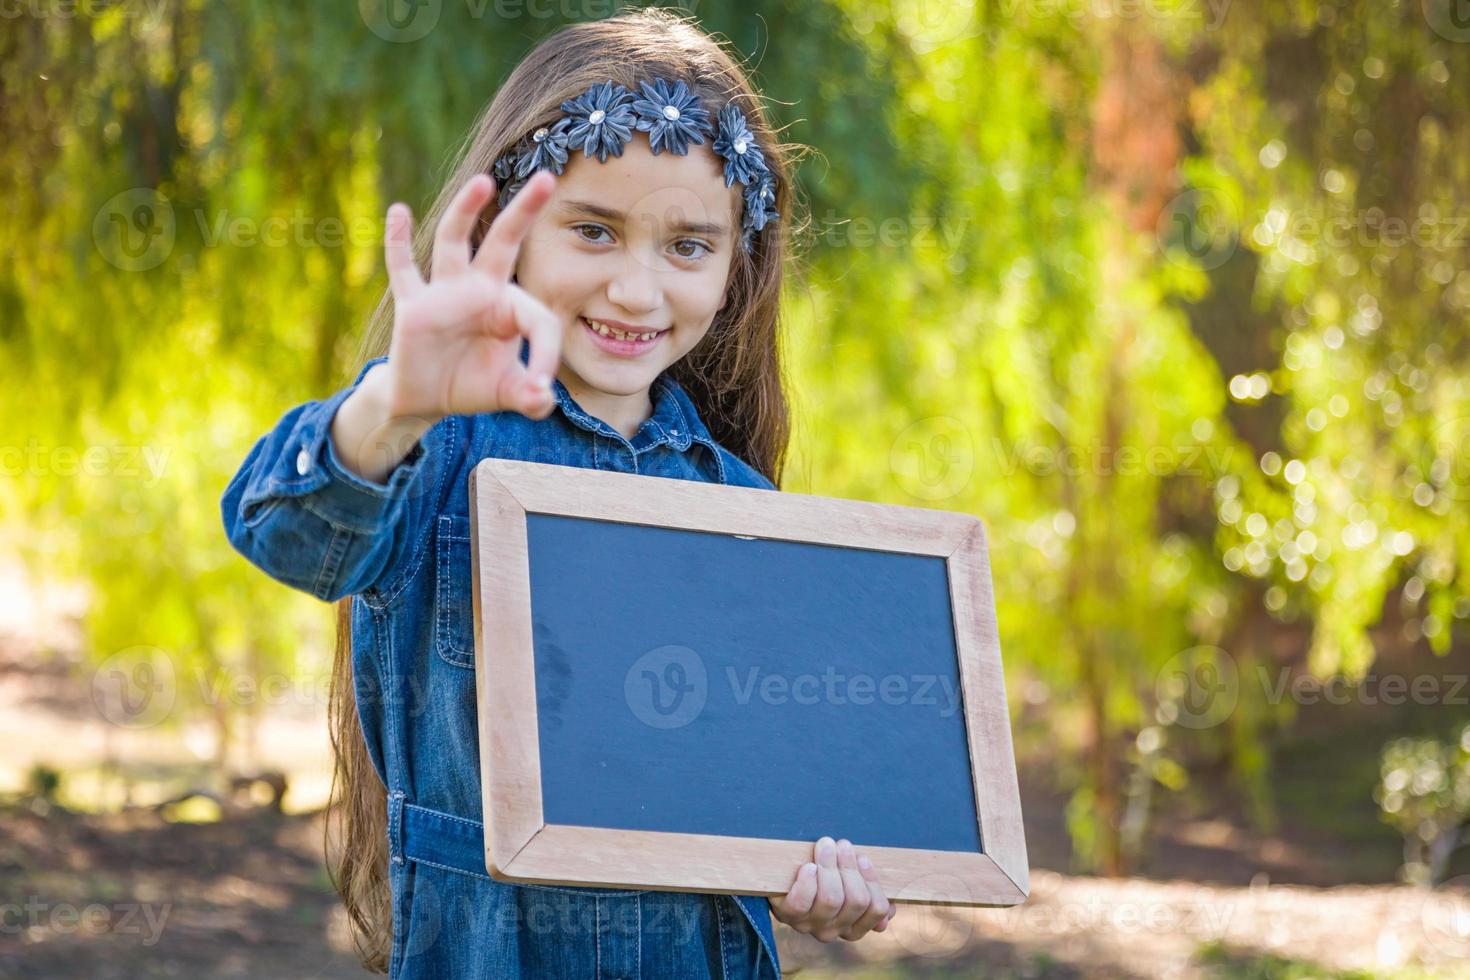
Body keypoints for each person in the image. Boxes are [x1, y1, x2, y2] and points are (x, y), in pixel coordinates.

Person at [221, 9, 895, 978]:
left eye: (688, 246)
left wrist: (820, 871)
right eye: (595, 230)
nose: (636, 288)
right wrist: (393, 406)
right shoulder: (435, 454)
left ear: (737, 261)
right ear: (513, 226)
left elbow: (781, 787)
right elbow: (281, 530)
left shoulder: (748, 510)